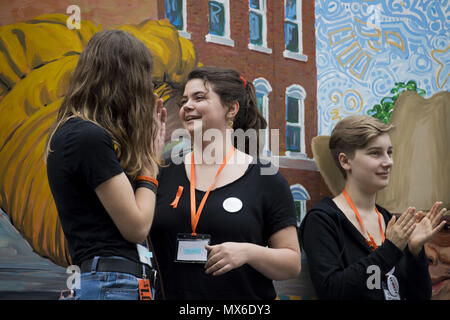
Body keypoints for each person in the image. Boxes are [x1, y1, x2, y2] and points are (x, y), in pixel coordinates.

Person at [149, 66, 301, 300]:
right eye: (184, 100)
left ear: (231, 109)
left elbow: (292, 263)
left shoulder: (265, 178)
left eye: (199, 97)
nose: (187, 106)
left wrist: (248, 252)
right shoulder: (163, 172)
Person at [45, 30, 166, 300]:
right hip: (111, 284)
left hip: (110, 282)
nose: (150, 88)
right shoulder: (87, 137)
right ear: (129, 80)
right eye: (146, 77)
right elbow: (136, 227)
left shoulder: (79, 134)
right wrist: (149, 163)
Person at [299, 115, 447, 300]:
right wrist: (391, 249)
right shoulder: (323, 220)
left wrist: (415, 252)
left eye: (389, 152)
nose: (388, 162)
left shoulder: (388, 219)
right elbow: (333, 291)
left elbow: (419, 296)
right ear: (345, 161)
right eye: (375, 153)